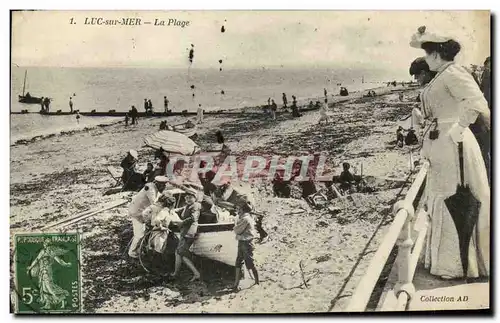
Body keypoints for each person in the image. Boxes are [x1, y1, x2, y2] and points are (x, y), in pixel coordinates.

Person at [410, 26, 490, 279]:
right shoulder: (443, 74)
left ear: (436, 55)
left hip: (454, 144)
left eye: (427, 52)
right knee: (444, 195)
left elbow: (478, 102)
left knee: (456, 196)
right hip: (443, 144)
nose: (425, 58)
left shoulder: (453, 72)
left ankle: (460, 265)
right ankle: (450, 263)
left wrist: (458, 128)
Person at [127, 176, 169, 258]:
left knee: (143, 231)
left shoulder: (151, 186)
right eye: (162, 185)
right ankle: (132, 252)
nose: (164, 187)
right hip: (137, 212)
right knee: (139, 234)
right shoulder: (151, 190)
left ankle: (139, 249)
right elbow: (155, 203)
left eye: (164, 185)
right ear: (157, 184)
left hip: (141, 210)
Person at [170, 187, 201, 282]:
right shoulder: (187, 206)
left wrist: (181, 223)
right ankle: (176, 273)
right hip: (185, 232)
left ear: (195, 198)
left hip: (189, 232)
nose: (187, 199)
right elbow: (179, 210)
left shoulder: (195, 206)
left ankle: (196, 274)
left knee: (181, 253)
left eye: (190, 197)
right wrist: (170, 210)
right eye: (186, 197)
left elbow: (193, 218)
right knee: (178, 252)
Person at [232, 201, 259, 291]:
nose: (237, 210)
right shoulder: (246, 217)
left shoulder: (245, 219)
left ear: (243, 210)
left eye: (239, 209)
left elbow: (237, 230)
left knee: (247, 263)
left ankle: (257, 282)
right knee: (240, 262)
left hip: (246, 243)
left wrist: (235, 226)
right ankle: (236, 284)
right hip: (244, 242)